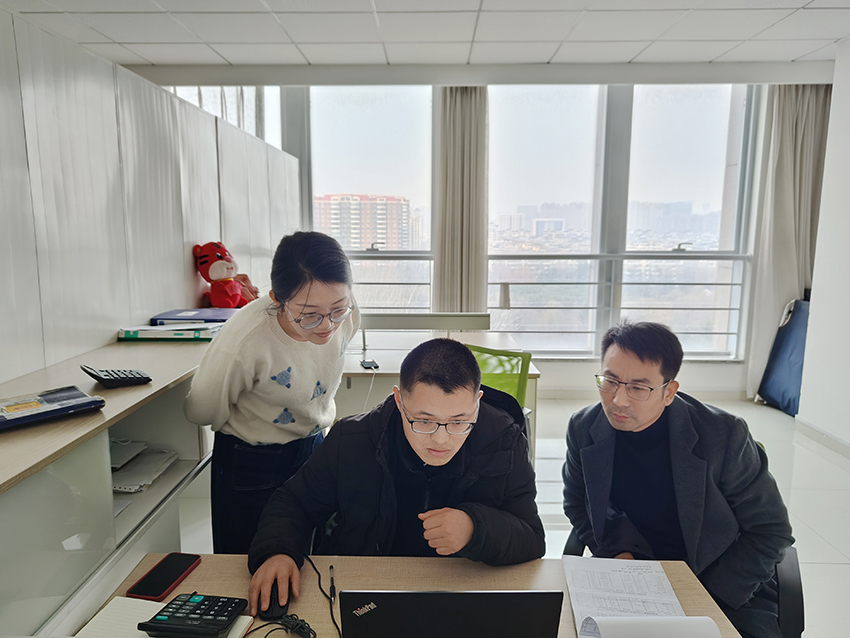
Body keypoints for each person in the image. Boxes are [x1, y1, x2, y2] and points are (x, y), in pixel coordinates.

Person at [247, 338, 545, 616]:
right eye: (424, 420)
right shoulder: (351, 440)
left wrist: (474, 528)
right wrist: (278, 551)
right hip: (369, 595)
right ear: (400, 400)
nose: (441, 439)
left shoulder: (504, 440)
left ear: (477, 402)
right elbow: (293, 502)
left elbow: (531, 537)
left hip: (465, 596)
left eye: (459, 421)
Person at [562, 320, 793, 638]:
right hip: (631, 581)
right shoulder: (584, 428)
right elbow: (577, 503)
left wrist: (703, 595)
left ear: (669, 392)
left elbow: (770, 530)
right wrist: (618, 554)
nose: (618, 400)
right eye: (610, 381)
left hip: (719, 583)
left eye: (638, 388)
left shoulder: (723, 435)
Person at [185, 231, 360, 555]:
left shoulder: (345, 312)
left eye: (338, 309)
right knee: (249, 564)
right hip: (251, 461)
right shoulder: (245, 340)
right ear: (277, 299)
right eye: (309, 314)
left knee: (309, 561)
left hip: (313, 447)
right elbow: (201, 409)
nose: (326, 325)